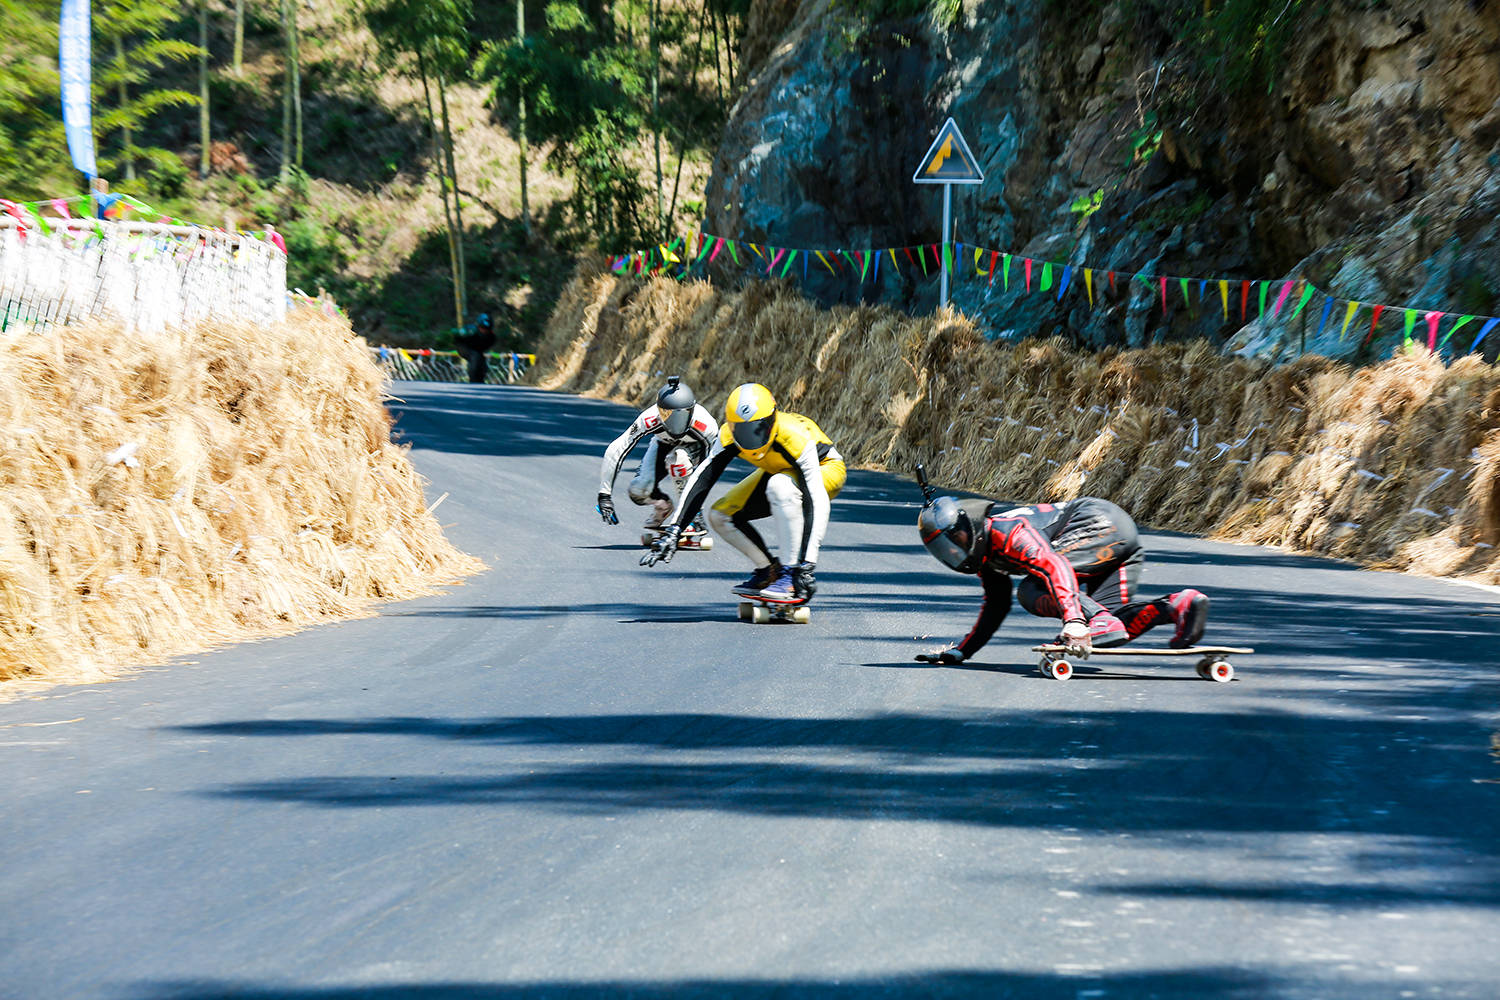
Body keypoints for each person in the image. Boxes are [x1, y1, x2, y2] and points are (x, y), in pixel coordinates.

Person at [913, 492, 1210, 663]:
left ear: (969, 523)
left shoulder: (1008, 532)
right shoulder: (986, 557)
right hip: (1119, 541)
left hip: (1099, 524)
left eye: (956, 539)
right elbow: (995, 607)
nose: (954, 551)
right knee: (1114, 629)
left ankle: (1093, 619)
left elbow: (1054, 565)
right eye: (945, 549)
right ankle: (1177, 606)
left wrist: (1075, 621)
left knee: (1033, 588)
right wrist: (961, 652)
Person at [642, 382, 846, 604]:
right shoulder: (728, 435)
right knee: (720, 515)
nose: (754, 437)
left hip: (825, 467)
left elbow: (816, 501)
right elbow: (701, 480)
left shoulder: (794, 437)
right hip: (777, 469)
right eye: (744, 431)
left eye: (761, 427)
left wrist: (807, 567)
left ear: (774, 418)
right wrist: (675, 531)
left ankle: (790, 574)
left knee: (780, 486)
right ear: (731, 425)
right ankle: (770, 572)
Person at [597, 376, 718, 533]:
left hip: (694, 447)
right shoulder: (649, 418)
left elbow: (707, 469)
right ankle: (663, 507)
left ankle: (691, 516)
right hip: (662, 443)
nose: (675, 424)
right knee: (638, 491)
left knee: (678, 461)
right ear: (658, 410)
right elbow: (617, 448)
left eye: (682, 416)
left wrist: (697, 508)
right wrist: (604, 495)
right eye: (667, 415)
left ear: (692, 410)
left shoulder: (706, 425)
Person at [455, 313, 497, 383]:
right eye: (482, 328)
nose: (484, 331)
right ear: (478, 326)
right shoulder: (470, 330)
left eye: (487, 329)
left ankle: (480, 380)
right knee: (474, 356)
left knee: (482, 362)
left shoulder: (491, 337)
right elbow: (457, 335)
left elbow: (485, 347)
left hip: (477, 350)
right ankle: (473, 380)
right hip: (464, 347)